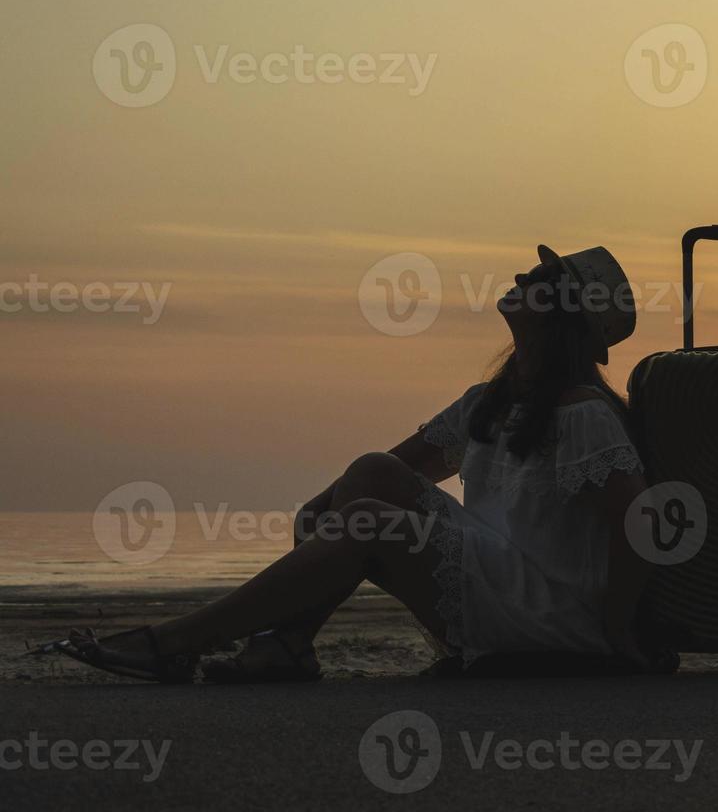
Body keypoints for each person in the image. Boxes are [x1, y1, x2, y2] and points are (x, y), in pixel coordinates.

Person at [41, 244, 655, 683]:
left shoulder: (582, 414)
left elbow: (637, 525)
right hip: (500, 572)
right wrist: (329, 511)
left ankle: (173, 642)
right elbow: (391, 472)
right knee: (368, 475)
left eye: (544, 276)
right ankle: (286, 644)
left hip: (551, 613)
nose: (525, 271)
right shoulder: (490, 402)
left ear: (562, 313)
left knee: (366, 518)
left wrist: (618, 634)